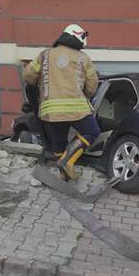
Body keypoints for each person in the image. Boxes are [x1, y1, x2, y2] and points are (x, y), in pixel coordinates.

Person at [23, 24, 100, 181]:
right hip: (76, 108)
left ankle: (63, 175)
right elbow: (92, 86)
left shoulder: (44, 55)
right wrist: (84, 93)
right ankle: (67, 162)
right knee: (92, 131)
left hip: (50, 109)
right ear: (78, 37)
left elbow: (28, 76)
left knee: (59, 139)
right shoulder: (83, 58)